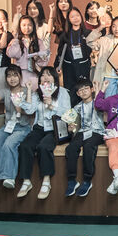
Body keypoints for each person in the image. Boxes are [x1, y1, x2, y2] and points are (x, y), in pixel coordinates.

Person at [17, 66, 71, 199]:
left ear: (55, 78)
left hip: (56, 128)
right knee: (25, 146)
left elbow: (67, 113)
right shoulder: (37, 93)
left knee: (44, 147)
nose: (45, 77)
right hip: (40, 127)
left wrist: (51, 104)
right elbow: (29, 110)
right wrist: (28, 91)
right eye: (42, 75)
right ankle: (26, 181)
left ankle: (46, 181)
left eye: (49, 75)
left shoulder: (62, 92)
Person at [0, 65, 34, 190]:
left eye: (15, 75)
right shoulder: (5, 91)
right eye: (9, 76)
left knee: (8, 145)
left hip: (22, 127)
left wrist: (20, 108)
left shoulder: (27, 91)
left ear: (20, 77)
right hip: (7, 126)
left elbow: (30, 111)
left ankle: (9, 177)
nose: (12, 78)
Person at [65, 79, 106, 197]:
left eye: (86, 89)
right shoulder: (77, 107)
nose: (83, 92)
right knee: (71, 148)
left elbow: (105, 110)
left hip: (97, 132)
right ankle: (72, 180)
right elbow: (70, 124)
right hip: (83, 132)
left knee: (88, 146)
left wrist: (100, 90)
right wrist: (71, 127)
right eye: (80, 90)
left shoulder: (98, 103)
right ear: (77, 94)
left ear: (91, 89)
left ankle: (87, 181)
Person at [56, 7, 92, 105]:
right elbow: (60, 53)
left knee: (84, 93)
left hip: (84, 67)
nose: (76, 18)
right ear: (69, 19)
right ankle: (72, 114)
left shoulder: (88, 33)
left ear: (81, 16)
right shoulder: (64, 35)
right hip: (69, 68)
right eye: (72, 17)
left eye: (77, 15)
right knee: (71, 95)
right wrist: (58, 66)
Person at [7, 15, 49, 91]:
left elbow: (44, 62)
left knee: (33, 94)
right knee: (20, 94)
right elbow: (11, 54)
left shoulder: (38, 41)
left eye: (29, 25)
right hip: (20, 73)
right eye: (24, 25)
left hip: (34, 73)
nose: (27, 28)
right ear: (20, 27)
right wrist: (16, 40)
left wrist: (38, 58)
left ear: (33, 27)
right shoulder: (16, 41)